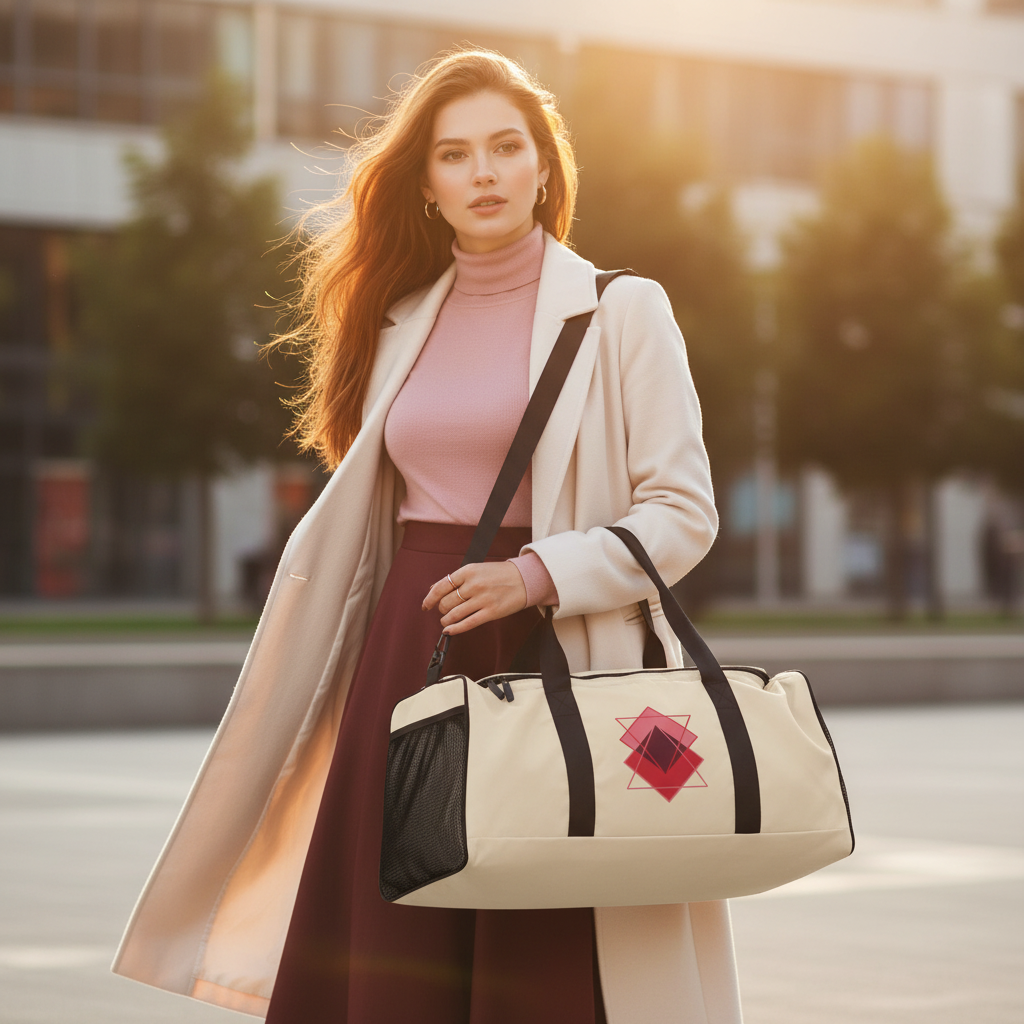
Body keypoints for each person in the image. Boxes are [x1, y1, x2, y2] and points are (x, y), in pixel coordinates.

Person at [112, 50, 741, 1024]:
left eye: (504, 147)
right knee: (394, 951)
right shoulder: (398, 317)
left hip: (554, 654)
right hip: (407, 653)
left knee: (541, 949)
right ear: (427, 185)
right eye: (455, 155)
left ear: (545, 166)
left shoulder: (623, 311)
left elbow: (684, 509)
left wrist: (536, 574)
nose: (482, 172)